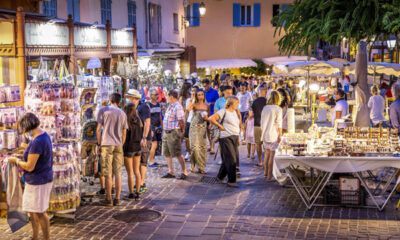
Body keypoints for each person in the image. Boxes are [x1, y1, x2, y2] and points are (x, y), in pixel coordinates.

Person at [8, 113, 53, 240]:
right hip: (37, 179)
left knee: (40, 212)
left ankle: (46, 238)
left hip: (38, 181)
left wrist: (15, 161)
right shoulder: (41, 136)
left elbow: (29, 166)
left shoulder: (38, 141)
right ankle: (35, 237)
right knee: (33, 210)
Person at [97, 93, 128, 206]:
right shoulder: (123, 114)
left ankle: (109, 198)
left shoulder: (103, 110)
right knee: (118, 172)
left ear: (110, 100)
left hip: (106, 144)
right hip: (118, 144)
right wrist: (121, 143)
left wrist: (99, 144)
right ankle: (118, 198)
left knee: (108, 173)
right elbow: (124, 133)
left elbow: (98, 129)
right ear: (119, 102)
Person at [209, 96, 241, 188]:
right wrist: (220, 126)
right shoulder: (223, 111)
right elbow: (212, 118)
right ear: (231, 103)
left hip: (234, 137)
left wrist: (238, 136)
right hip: (226, 137)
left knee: (228, 158)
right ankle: (231, 180)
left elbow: (236, 125)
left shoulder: (234, 112)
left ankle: (220, 177)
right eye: (236, 103)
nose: (237, 105)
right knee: (232, 159)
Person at [125, 89, 152, 194]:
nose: (127, 99)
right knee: (138, 164)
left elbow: (147, 123)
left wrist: (144, 137)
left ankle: (141, 184)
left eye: (128, 97)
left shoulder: (143, 107)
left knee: (142, 162)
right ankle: (138, 184)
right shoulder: (135, 108)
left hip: (143, 139)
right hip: (137, 139)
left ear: (133, 98)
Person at [161, 90, 188, 179]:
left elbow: (181, 120)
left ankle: (184, 171)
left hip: (173, 132)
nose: (166, 98)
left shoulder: (177, 106)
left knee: (177, 153)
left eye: (167, 96)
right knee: (167, 152)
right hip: (167, 132)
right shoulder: (170, 106)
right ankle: (171, 171)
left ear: (171, 97)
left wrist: (182, 131)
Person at [260, 91, 283, 181]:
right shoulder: (278, 109)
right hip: (273, 133)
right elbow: (279, 123)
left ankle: (265, 172)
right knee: (272, 155)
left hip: (265, 133)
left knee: (266, 154)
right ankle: (270, 175)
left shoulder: (265, 108)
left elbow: (262, 121)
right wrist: (280, 135)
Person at [122, 103, 143, 200]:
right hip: (137, 147)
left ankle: (131, 193)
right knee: (136, 171)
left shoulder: (126, 121)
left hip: (129, 148)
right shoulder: (138, 120)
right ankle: (137, 192)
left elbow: (124, 136)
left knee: (130, 172)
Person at [187, 89, 209, 174]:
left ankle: (201, 167)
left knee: (202, 148)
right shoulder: (194, 105)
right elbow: (188, 109)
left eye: (202, 95)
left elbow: (209, 118)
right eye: (198, 95)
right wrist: (192, 99)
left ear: (204, 96)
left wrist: (207, 119)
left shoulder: (207, 106)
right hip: (194, 127)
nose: (200, 96)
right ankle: (193, 164)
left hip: (203, 128)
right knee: (195, 147)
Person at [251, 86, 267, 167]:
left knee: (258, 144)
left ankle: (260, 161)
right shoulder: (268, 102)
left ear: (259, 92)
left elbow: (251, 114)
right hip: (266, 125)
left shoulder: (254, 102)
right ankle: (266, 161)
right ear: (266, 92)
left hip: (257, 124)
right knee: (267, 144)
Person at [203, 79, 220, 154]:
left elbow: (218, 102)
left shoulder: (215, 92)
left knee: (212, 131)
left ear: (209, 84)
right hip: (205, 114)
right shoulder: (203, 92)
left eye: (206, 86)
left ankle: (213, 148)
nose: (205, 88)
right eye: (203, 86)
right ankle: (210, 145)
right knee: (207, 131)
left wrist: (211, 103)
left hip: (213, 113)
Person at [147, 88, 163, 168]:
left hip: (157, 127)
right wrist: (150, 129)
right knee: (154, 144)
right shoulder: (148, 105)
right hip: (151, 127)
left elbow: (160, 115)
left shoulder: (158, 104)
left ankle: (152, 160)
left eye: (157, 94)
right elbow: (147, 118)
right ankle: (150, 162)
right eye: (155, 94)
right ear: (151, 96)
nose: (157, 96)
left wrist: (162, 125)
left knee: (156, 145)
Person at [184, 87, 198, 160]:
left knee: (195, 139)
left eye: (195, 91)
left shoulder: (200, 100)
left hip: (196, 122)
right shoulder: (188, 100)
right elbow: (187, 110)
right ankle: (188, 152)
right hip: (189, 121)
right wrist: (184, 121)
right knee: (187, 138)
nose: (193, 92)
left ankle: (194, 154)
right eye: (192, 91)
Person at [179, 82, 192, 159]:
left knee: (187, 136)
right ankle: (179, 151)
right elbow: (180, 108)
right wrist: (187, 109)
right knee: (183, 136)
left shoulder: (190, 96)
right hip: (184, 117)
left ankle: (188, 151)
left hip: (189, 116)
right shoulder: (182, 98)